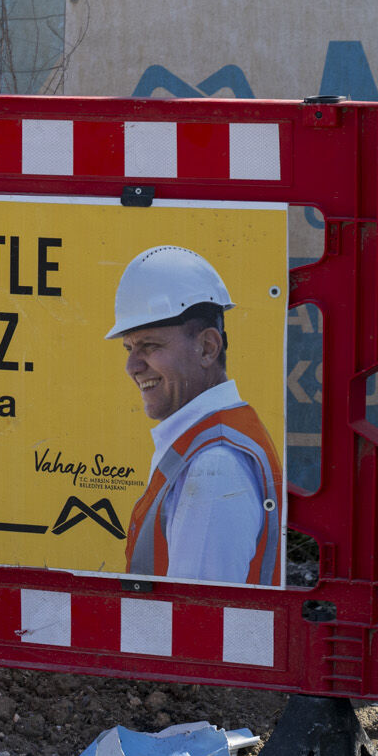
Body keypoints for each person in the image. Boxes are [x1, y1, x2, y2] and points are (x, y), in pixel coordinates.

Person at [106, 245, 283, 587]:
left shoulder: (214, 465)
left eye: (151, 346)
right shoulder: (206, 441)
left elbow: (197, 622)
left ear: (207, 348)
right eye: (129, 348)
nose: (132, 366)